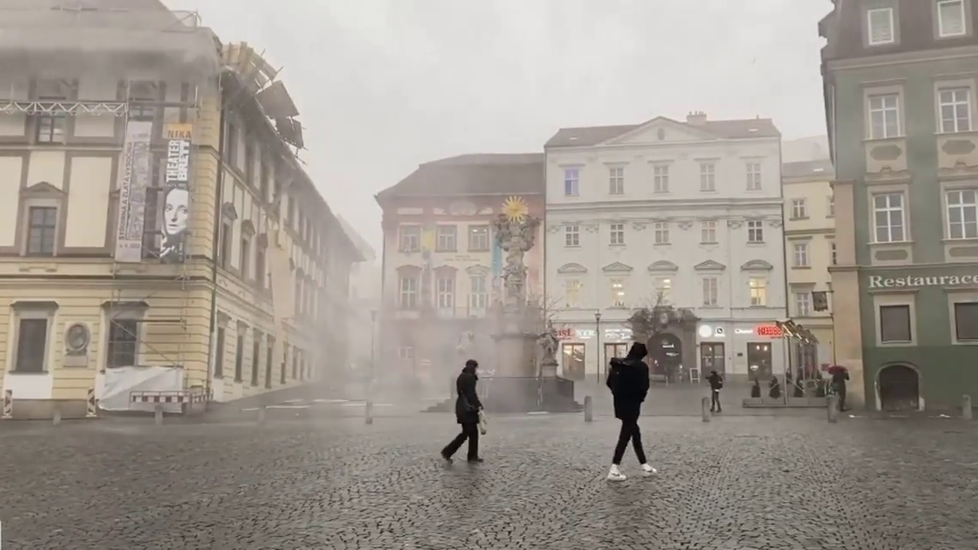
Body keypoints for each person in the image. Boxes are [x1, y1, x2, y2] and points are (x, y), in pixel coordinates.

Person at [605, 342, 656, 482]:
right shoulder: (641, 367)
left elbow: (609, 383)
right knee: (627, 435)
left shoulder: (619, 365)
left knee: (632, 433)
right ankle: (614, 468)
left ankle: (644, 465)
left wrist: (619, 395)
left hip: (620, 405)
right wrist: (638, 397)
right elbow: (644, 386)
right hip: (633, 405)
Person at [441, 359, 484, 463]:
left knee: (471, 432)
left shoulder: (462, 376)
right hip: (468, 409)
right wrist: (478, 405)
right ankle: (448, 452)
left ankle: (472, 455)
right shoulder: (470, 377)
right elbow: (471, 394)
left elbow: (463, 392)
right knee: (468, 433)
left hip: (461, 407)